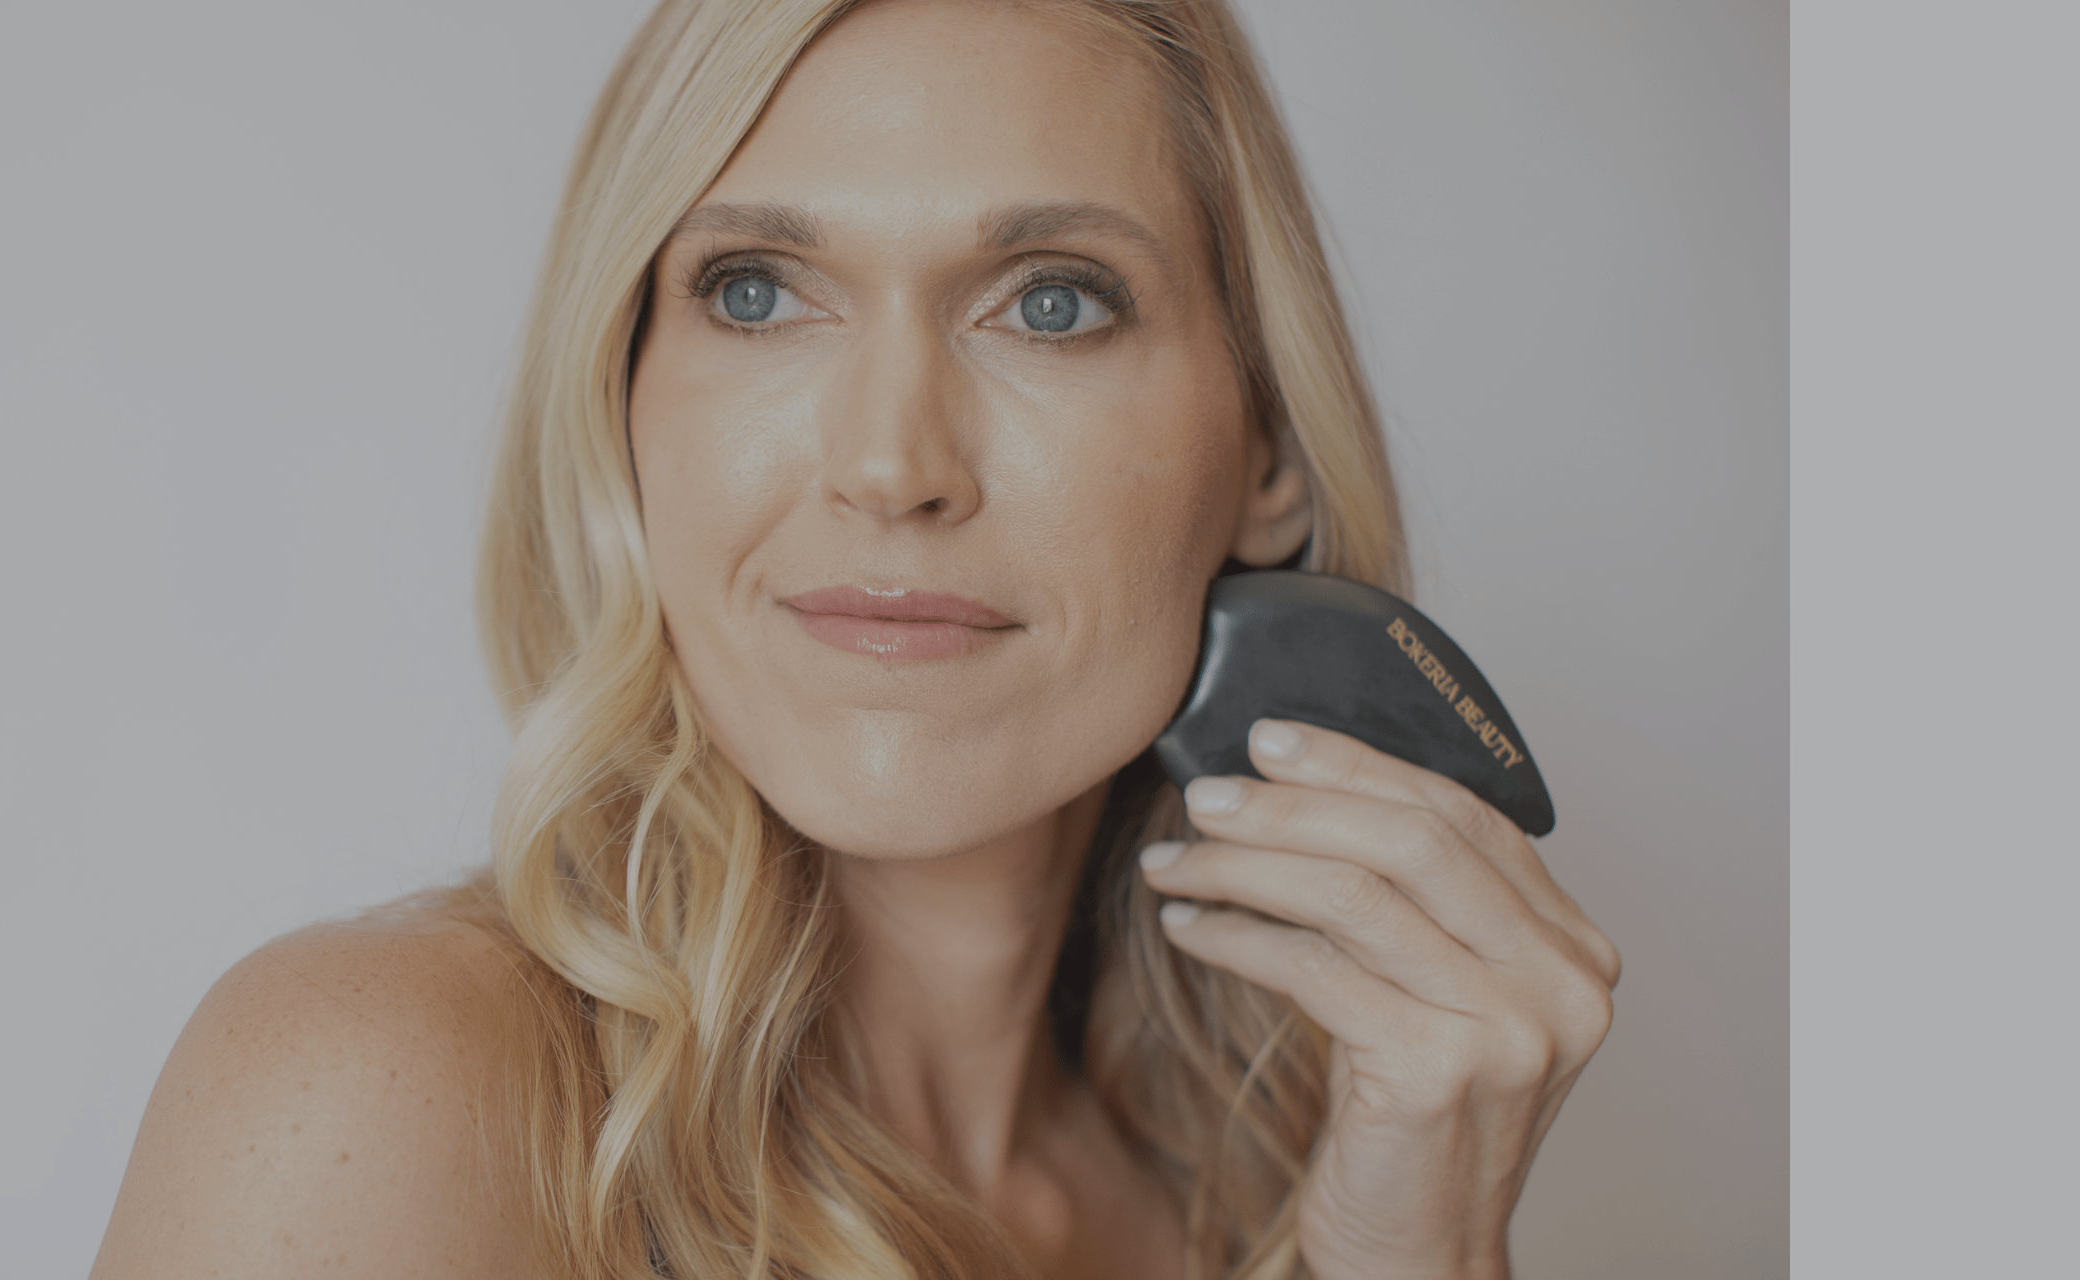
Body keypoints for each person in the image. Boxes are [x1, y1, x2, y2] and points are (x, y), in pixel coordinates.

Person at [89, 1, 1618, 1276]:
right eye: (758, 294)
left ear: (1267, 445)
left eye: (1051, 305)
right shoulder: (378, 1096)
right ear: (620, 403)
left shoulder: (1275, 1191)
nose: (892, 466)